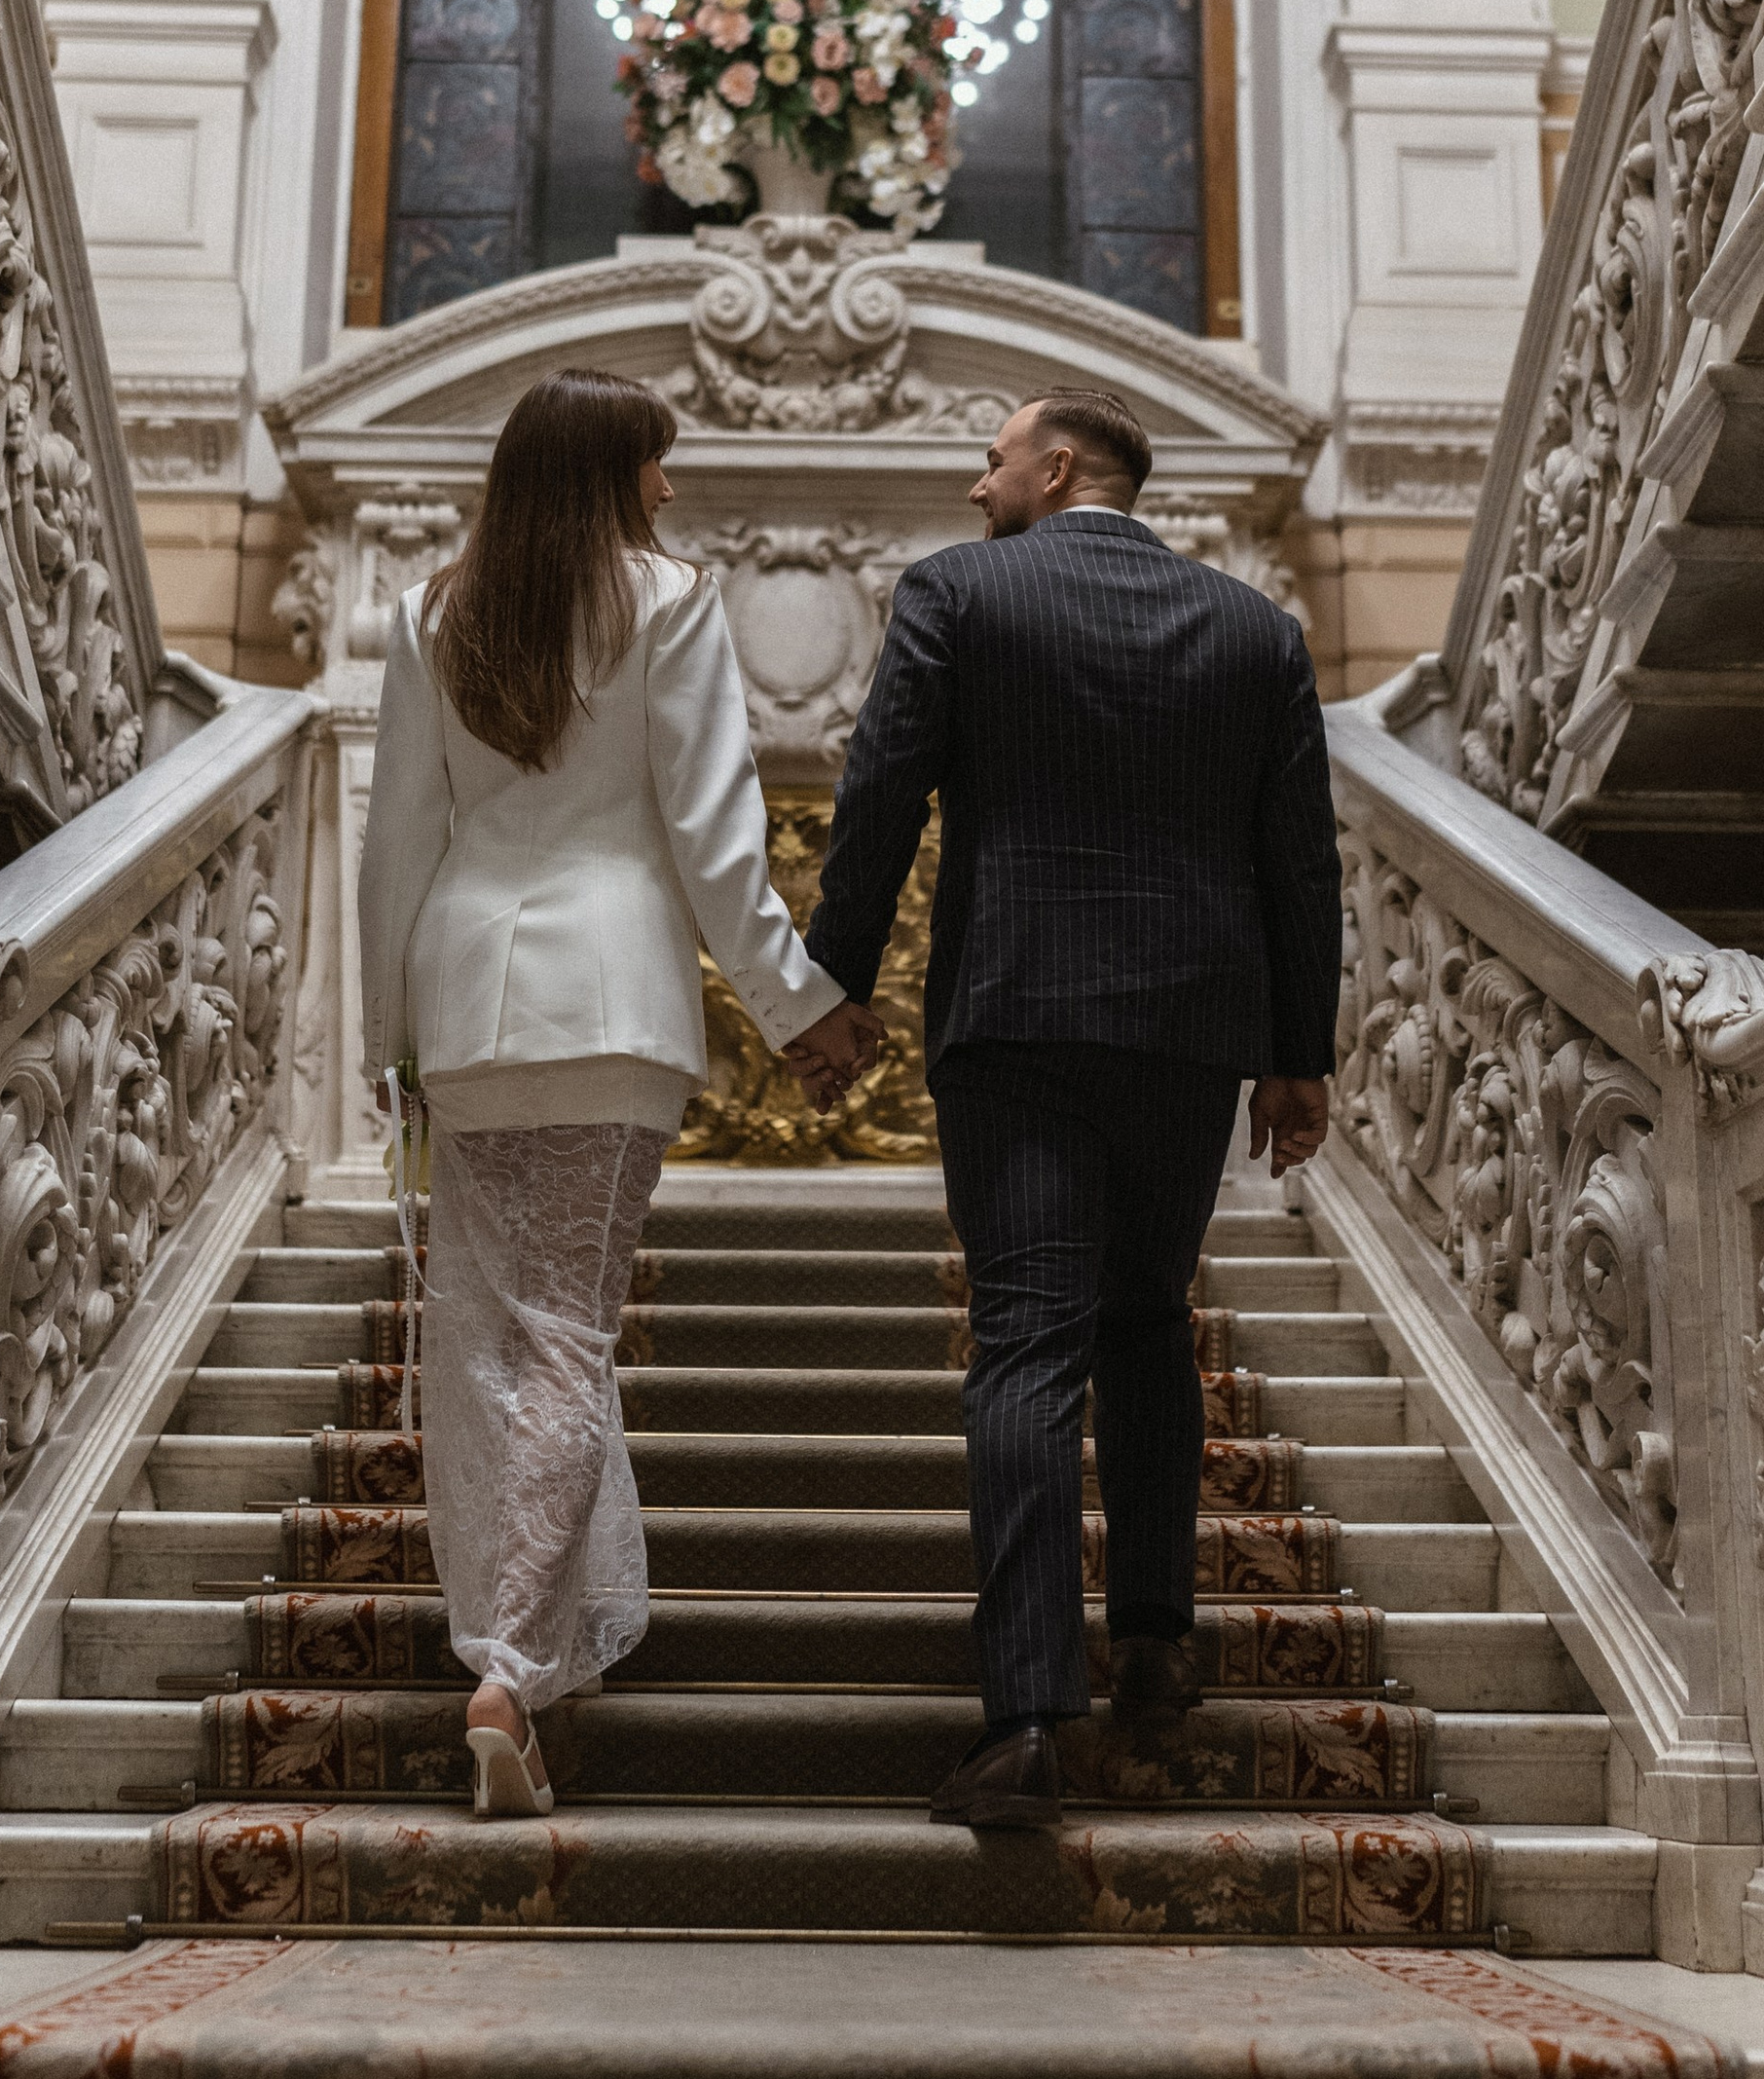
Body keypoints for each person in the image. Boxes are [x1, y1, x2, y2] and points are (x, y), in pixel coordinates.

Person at [803, 382, 1341, 1829]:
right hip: (1190, 1028)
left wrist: (831, 985)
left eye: (991, 464)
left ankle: (1034, 1714)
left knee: (1029, 1340)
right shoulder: (1256, 630)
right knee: (1151, 1319)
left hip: (1021, 1014)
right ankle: (1158, 1638)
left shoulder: (961, 594)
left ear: (1056, 468)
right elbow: (1300, 857)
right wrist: (1302, 1051)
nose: (976, 489)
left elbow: (881, 793)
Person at [358, 365, 880, 1815]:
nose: (670, 486)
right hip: (610, 1009)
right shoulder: (667, 598)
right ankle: (512, 1668)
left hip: (467, 1003)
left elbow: (395, 840)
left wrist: (384, 1038)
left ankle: (513, 1641)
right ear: (606, 469)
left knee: (486, 1333)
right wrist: (799, 1007)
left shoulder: (429, 608)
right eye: (656, 461)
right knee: (570, 1335)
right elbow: (717, 840)